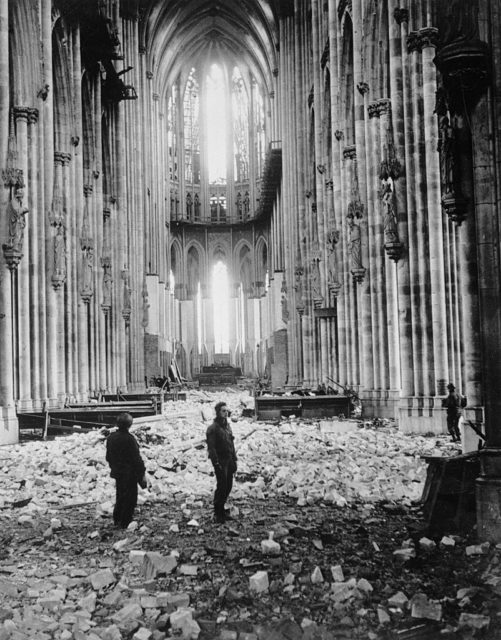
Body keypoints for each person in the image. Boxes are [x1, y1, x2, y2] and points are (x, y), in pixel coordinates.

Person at [106, 412, 147, 528]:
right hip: (129, 474)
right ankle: (125, 522)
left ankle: (117, 519)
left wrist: (114, 467)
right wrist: (142, 474)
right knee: (130, 498)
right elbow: (136, 459)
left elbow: (108, 457)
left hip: (118, 472)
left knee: (120, 496)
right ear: (130, 425)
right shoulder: (130, 439)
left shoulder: (111, 438)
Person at [206, 401, 237, 524]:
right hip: (221, 461)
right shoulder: (213, 428)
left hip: (229, 459)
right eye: (223, 411)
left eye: (227, 411)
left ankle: (222, 510)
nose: (226, 413)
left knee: (228, 485)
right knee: (222, 486)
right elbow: (211, 448)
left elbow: (231, 443)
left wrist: (234, 459)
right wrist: (216, 463)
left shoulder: (227, 426)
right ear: (218, 412)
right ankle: (217, 512)